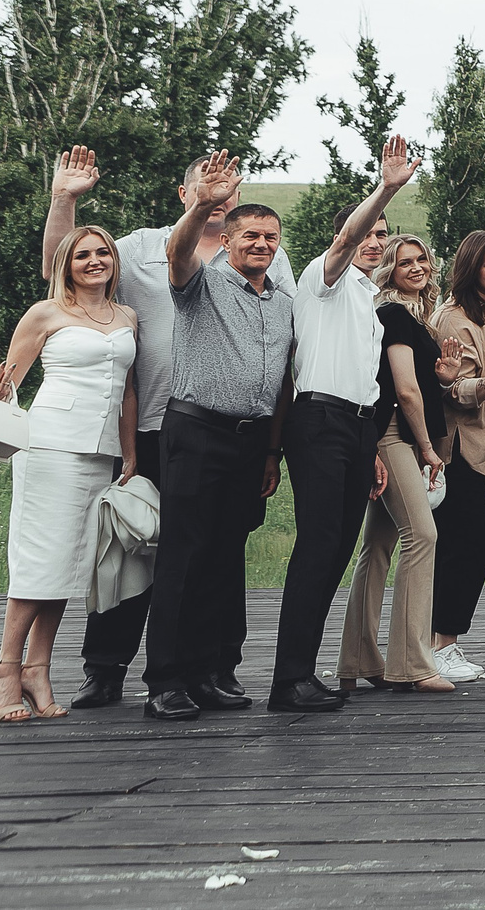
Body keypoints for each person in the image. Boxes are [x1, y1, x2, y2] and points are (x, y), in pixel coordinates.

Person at [39, 148, 248, 711]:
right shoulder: (137, 248)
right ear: (185, 194)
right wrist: (65, 199)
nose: (217, 198)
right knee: (131, 547)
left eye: (227, 189)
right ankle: (104, 670)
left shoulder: (255, 250)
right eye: (207, 188)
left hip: (224, 429)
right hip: (152, 424)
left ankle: (204, 670)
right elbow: (57, 269)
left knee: (209, 557)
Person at [141, 154, 297, 721]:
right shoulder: (199, 283)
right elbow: (177, 251)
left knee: (227, 557)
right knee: (184, 555)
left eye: (270, 237)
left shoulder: (282, 303)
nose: (260, 244)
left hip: (250, 441)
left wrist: (272, 451)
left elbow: (283, 381)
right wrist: (205, 202)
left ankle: (211, 671)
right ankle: (165, 679)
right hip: (195, 430)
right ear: (228, 240)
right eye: (250, 235)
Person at [273, 135, 420, 713]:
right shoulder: (322, 277)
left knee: (336, 550)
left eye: (383, 235)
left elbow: (367, 379)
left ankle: (303, 674)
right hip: (318, 419)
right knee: (316, 546)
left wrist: (373, 448)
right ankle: (288, 679)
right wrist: (385, 188)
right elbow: (343, 241)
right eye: (369, 232)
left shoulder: (369, 297)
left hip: (358, 427)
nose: (375, 242)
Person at [0, 226, 138, 722]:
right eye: (83, 255)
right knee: (39, 558)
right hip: (48, 444)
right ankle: (5, 668)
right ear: (66, 265)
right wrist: (0, 393)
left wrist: (130, 454)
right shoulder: (45, 313)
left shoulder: (127, 315)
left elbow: (129, 391)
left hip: (100, 452)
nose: (95, 261)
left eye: (103, 253)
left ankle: (38, 668)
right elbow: (10, 378)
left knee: (71, 562)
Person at [334, 233, 454, 694]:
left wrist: (441, 378)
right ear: (388, 268)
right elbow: (404, 390)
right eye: (404, 261)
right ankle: (413, 664)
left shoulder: (410, 317)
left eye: (422, 257)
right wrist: (426, 447)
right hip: (393, 435)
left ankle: (358, 658)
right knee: (422, 535)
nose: (417, 266)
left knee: (378, 545)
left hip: (393, 433)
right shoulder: (393, 313)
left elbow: (420, 382)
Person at [428, 231, 485, 683]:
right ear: (471, 270)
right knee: (464, 545)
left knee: (467, 544)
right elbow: (455, 390)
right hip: (459, 449)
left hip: (481, 447)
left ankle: (442, 643)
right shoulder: (454, 319)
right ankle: (439, 646)